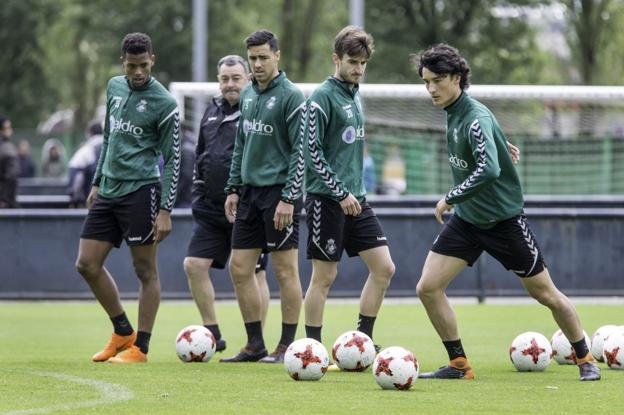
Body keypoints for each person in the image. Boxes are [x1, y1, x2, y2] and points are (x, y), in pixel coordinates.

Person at [413, 43, 600, 381]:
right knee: (427, 287)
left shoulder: (474, 116)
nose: (431, 89)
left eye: (437, 80)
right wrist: (502, 141)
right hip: (468, 222)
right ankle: (459, 364)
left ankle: (586, 358)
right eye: (426, 82)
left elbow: (488, 170)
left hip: (504, 223)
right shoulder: (456, 113)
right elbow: (487, 141)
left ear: (456, 78)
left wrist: (449, 198)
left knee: (545, 294)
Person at [75, 32, 180, 363]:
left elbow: (174, 158)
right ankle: (122, 331)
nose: (138, 73)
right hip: (108, 189)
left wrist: (165, 209)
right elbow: (109, 136)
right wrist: (96, 181)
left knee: (145, 270)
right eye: (132, 66)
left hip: (141, 191)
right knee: (87, 264)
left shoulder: (165, 103)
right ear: (124, 62)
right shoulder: (114, 87)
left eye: (144, 65)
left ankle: (141, 348)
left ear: (153, 60)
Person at [302, 26, 395, 356]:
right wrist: (340, 192)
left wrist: (351, 193)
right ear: (336, 59)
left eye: (363, 63)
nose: (358, 69)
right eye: (352, 62)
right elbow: (311, 152)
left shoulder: (355, 96)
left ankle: (363, 340)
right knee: (324, 277)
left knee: (384, 268)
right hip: (328, 200)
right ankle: (312, 349)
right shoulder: (321, 97)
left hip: (358, 199)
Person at [221, 30, 305, 363]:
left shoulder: (292, 96)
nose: (257, 64)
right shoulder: (249, 95)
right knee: (240, 268)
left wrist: (288, 197)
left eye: (263, 57)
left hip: (279, 194)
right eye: (253, 58)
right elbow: (241, 144)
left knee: (285, 271)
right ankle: (254, 344)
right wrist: (232, 187)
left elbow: (301, 152)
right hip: (250, 194)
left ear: (277, 56)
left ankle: (286, 345)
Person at [183, 54, 271, 353]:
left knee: (252, 273)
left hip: (246, 208)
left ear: (247, 78)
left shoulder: (257, 108)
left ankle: (255, 340)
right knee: (194, 265)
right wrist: (197, 192)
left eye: (236, 78)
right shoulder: (210, 111)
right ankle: (211, 333)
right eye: (224, 79)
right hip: (210, 207)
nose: (230, 84)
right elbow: (200, 155)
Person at [67, 121, 104, 207]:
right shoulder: (106, 143)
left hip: (84, 180)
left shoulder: (89, 145)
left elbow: (76, 168)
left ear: (90, 133)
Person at [0, 116, 19, 208]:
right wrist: (4, 199)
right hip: (5, 203)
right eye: (7, 128)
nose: (10, 131)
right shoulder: (7, 149)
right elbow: (12, 175)